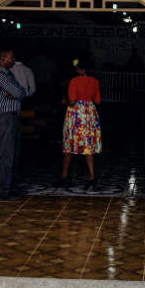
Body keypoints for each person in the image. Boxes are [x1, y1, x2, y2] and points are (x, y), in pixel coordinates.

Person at [58, 58, 102, 190]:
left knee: (69, 144)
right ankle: (92, 176)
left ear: (81, 69)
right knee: (88, 145)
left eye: (77, 68)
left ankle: (64, 175)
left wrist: (65, 101)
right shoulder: (95, 81)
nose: (76, 70)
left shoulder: (74, 81)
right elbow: (98, 101)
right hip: (89, 114)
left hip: (76, 115)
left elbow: (72, 101)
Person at [0, 49, 28, 200]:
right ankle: (3, 189)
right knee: (6, 154)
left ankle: (12, 186)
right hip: (6, 116)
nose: (13, 60)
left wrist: (16, 93)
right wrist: (16, 93)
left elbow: (22, 91)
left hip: (13, 116)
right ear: (2, 58)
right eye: (11, 58)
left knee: (14, 153)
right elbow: (19, 92)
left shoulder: (8, 74)